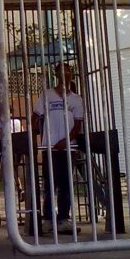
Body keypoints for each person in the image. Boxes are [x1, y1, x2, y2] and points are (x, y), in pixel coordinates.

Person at [32, 62, 84, 236]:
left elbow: (78, 125)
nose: (65, 73)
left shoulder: (76, 99)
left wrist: (66, 140)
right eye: (61, 70)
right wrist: (36, 136)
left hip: (69, 148)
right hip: (50, 147)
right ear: (55, 74)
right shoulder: (46, 95)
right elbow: (35, 116)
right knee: (49, 185)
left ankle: (63, 219)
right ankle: (47, 220)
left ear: (72, 74)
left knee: (67, 185)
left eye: (68, 70)